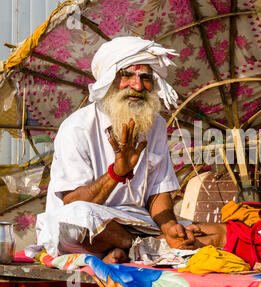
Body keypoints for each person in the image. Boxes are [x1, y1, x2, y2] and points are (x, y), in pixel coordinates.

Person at [35, 37, 226, 264]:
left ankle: (141, 248)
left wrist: (168, 226)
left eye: (145, 78)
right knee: (74, 220)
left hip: (138, 222)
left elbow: (159, 193)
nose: (137, 86)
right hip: (92, 223)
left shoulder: (155, 125)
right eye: (126, 75)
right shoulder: (77, 127)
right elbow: (73, 202)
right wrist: (117, 172)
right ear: (108, 79)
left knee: (219, 232)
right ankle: (149, 248)